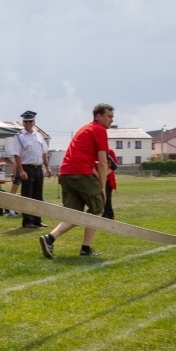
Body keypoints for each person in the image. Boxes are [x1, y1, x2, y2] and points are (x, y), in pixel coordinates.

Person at [39, 103, 113, 259]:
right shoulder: (99, 130)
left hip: (65, 173)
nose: (111, 120)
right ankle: (86, 248)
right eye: (109, 116)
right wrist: (102, 187)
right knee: (98, 209)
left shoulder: (85, 128)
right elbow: (103, 162)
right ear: (98, 116)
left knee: (74, 215)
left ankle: (49, 238)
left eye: (112, 117)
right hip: (80, 173)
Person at [12, 110, 51, 228]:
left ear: (34, 122)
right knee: (27, 195)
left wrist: (47, 167)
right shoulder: (19, 136)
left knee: (38, 195)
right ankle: (27, 221)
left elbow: (44, 152)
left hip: (38, 167)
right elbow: (16, 154)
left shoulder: (39, 135)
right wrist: (21, 170)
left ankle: (37, 220)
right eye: (26, 121)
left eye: (30, 121)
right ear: (23, 123)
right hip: (27, 167)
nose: (28, 123)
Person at [102, 149, 118, 220]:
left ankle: (109, 217)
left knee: (107, 201)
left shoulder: (110, 152)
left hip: (108, 181)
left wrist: (102, 175)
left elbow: (114, 166)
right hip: (97, 180)